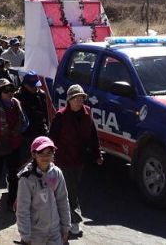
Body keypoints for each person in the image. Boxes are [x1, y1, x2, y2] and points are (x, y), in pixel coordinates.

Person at [49, 84, 102, 238]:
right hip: (63, 160)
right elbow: (52, 138)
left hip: (79, 160)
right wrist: (49, 156)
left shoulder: (87, 113)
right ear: (69, 100)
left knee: (69, 189)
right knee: (70, 190)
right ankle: (74, 223)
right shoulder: (61, 116)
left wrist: (97, 154)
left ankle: (61, 219)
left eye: (81, 98)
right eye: (76, 98)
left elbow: (93, 135)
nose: (79, 101)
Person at [15, 136, 71, 245]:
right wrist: (26, 236)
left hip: (55, 231)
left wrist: (65, 228)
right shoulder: (26, 179)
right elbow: (22, 210)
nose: (45, 157)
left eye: (49, 153)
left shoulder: (56, 173)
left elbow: (63, 201)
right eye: (41, 153)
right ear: (34, 155)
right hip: (35, 234)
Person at [0, 78, 28, 208]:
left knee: (14, 174)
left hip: (14, 145)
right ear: (0, 93)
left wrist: (18, 130)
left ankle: (11, 202)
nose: (10, 93)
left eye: (11, 90)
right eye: (6, 91)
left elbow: (25, 122)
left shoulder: (17, 104)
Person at [15, 72, 50, 161]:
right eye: (32, 86)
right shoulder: (18, 96)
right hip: (26, 134)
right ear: (25, 84)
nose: (35, 88)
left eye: (36, 85)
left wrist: (47, 127)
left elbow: (45, 113)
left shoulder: (41, 94)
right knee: (26, 160)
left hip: (40, 130)